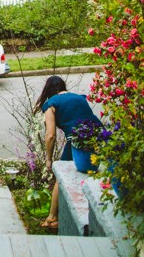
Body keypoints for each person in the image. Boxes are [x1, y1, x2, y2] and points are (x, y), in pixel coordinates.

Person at [34, 75, 102, 230]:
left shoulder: (50, 104)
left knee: (61, 177)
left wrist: (49, 159)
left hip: (79, 140)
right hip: (100, 136)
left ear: (48, 90)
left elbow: (50, 135)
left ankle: (52, 219)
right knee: (95, 173)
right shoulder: (79, 98)